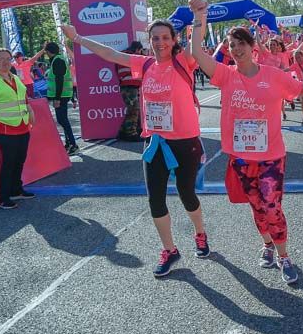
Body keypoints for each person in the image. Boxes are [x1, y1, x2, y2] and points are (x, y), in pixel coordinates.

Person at [188, 0, 303, 284]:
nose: (236, 48)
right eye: (232, 45)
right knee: (256, 206)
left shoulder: (273, 75)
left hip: (270, 157)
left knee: (272, 206)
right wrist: (199, 17)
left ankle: (284, 256)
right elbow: (196, 51)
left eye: (241, 43)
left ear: (253, 48)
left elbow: (301, 90)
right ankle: (267, 244)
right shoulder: (225, 75)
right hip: (241, 158)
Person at [62, 20, 209, 278]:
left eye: (165, 38)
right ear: (149, 41)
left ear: (174, 40)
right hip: (155, 141)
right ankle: (170, 250)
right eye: (155, 38)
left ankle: (200, 233)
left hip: (185, 141)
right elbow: (111, 54)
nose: (160, 43)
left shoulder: (183, 61)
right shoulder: (145, 64)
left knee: (187, 194)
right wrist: (78, 38)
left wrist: (200, 16)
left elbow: (196, 44)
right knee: (155, 198)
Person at [0, 48, 36, 210]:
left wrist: (31, 113)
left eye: (8, 59)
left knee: (19, 160)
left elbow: (24, 99)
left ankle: (16, 189)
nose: (5, 62)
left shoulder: (16, 78)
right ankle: (2, 197)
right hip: (2, 130)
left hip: (22, 126)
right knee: (5, 164)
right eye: (1, 59)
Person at [43, 42, 77, 153]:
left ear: (48, 52)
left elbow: (59, 80)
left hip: (61, 96)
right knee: (62, 120)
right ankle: (69, 143)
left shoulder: (57, 61)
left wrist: (57, 98)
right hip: (62, 95)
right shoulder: (58, 60)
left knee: (63, 120)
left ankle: (73, 144)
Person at [116, 41, 145, 142]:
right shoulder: (135, 57)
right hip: (130, 86)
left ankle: (122, 132)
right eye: (140, 51)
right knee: (133, 110)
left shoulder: (122, 55)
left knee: (131, 109)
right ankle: (131, 133)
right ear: (137, 49)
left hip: (125, 85)